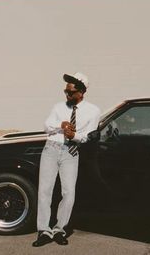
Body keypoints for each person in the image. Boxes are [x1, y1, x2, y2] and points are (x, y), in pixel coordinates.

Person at [32, 72, 101, 247]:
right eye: (65, 91)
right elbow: (46, 126)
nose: (67, 95)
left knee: (69, 192)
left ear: (81, 92)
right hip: (51, 149)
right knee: (45, 191)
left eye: (70, 92)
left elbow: (90, 136)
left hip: (71, 152)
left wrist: (75, 135)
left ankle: (59, 229)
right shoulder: (58, 107)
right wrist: (60, 125)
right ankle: (43, 231)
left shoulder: (93, 111)